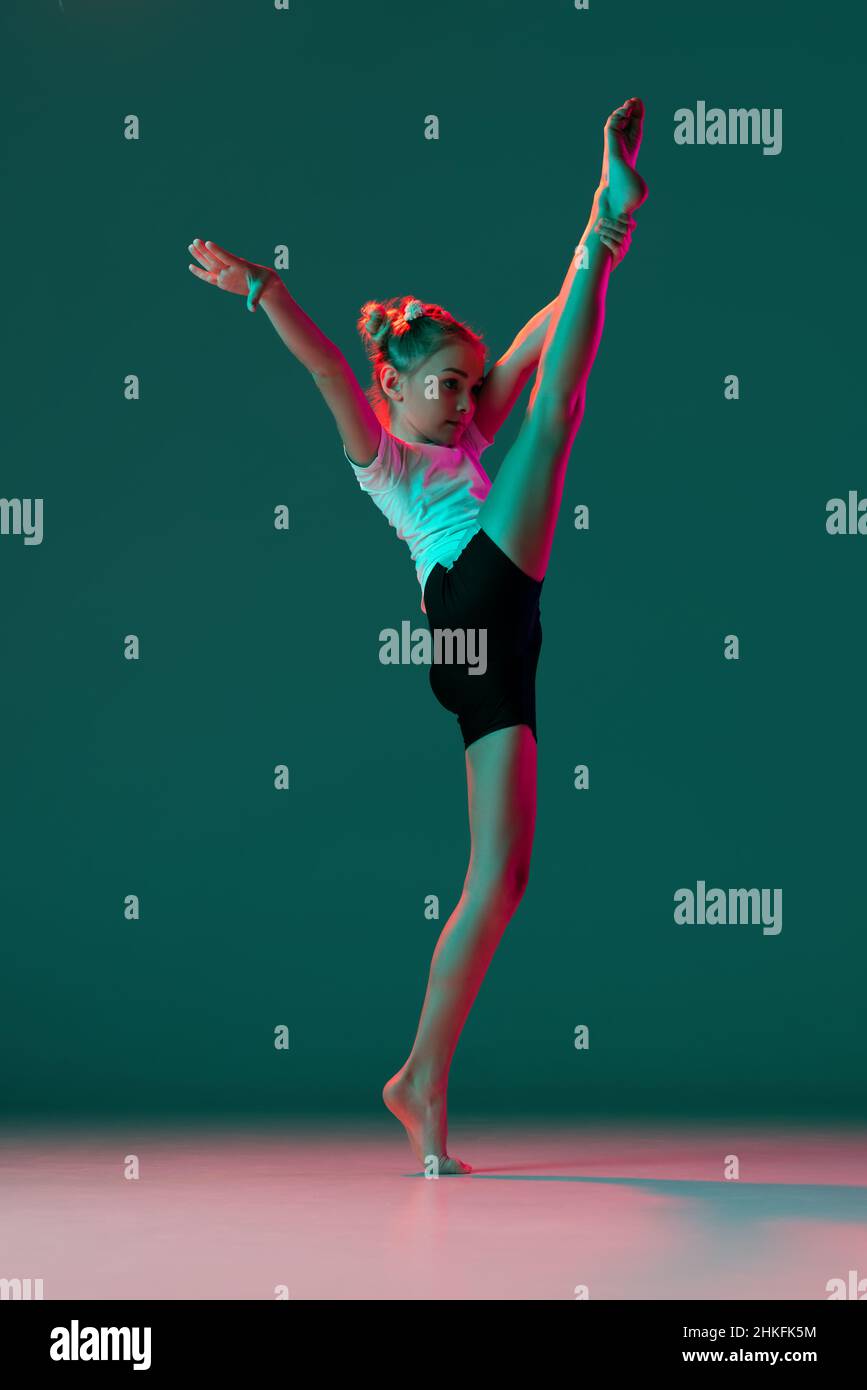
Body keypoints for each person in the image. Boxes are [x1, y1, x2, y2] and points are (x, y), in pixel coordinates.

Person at [188, 98, 648, 1174]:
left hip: (500, 640)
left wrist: (551, 311)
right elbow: (322, 370)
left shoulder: (469, 424)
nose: (455, 406)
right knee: (558, 417)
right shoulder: (388, 459)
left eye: (461, 387)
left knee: (502, 878)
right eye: (439, 388)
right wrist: (265, 289)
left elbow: (539, 341)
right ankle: (607, 219)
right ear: (392, 386)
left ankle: (420, 1077)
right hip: (470, 606)